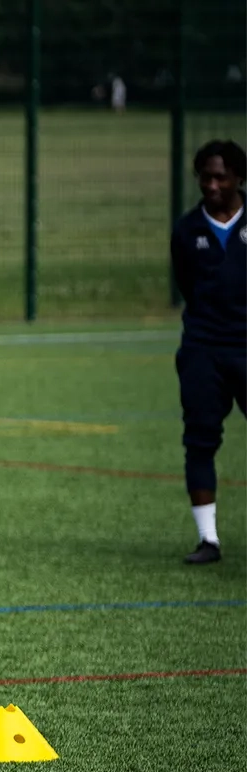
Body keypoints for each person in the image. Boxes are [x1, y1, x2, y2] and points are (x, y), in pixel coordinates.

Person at [170, 139, 246, 564]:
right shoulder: (186, 230)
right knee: (199, 441)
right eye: (205, 177)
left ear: (239, 177)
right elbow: (187, 284)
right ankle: (208, 540)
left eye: (221, 176)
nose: (213, 184)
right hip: (203, 350)